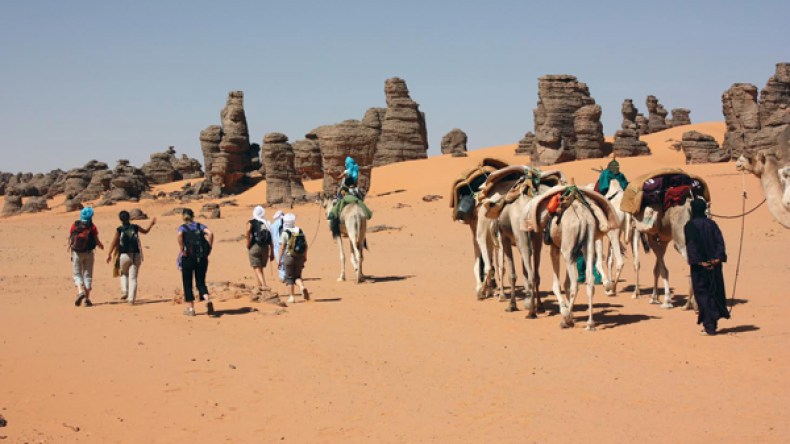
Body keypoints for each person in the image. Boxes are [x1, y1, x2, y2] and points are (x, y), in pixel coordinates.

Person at [684, 198, 730, 336]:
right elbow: (720, 242)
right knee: (713, 292)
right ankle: (711, 324)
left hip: (700, 267)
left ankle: (709, 326)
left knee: (703, 295)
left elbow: (691, 245)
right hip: (715, 265)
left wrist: (700, 262)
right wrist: (717, 258)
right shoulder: (712, 224)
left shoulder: (689, 226)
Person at [105, 211, 156, 304]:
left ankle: (124, 290)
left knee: (123, 273)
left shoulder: (119, 229)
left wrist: (109, 254)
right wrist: (151, 224)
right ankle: (131, 299)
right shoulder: (135, 227)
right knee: (133, 278)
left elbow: (113, 242)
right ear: (129, 218)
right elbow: (145, 231)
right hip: (136, 255)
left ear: (120, 219)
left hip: (124, 255)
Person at [177, 208, 215, 317]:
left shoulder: (182, 227)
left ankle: (191, 308)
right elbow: (210, 233)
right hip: (202, 258)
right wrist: (209, 247)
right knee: (201, 282)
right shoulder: (199, 226)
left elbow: (179, 235)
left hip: (188, 258)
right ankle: (207, 299)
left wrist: (181, 249)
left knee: (187, 283)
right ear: (193, 216)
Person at [68, 207, 104, 307]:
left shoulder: (75, 225)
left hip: (76, 252)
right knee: (87, 275)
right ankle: (87, 299)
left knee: (77, 274)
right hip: (89, 253)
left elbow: (71, 239)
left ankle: (80, 291)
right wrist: (101, 246)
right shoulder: (92, 227)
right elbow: (97, 240)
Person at [277, 213, 310, 304]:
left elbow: (282, 248)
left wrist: (279, 260)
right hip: (300, 257)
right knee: (297, 276)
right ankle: (302, 287)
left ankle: (292, 297)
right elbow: (306, 246)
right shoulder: (300, 230)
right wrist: (305, 257)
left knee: (289, 278)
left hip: (289, 257)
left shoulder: (285, 233)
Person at [246, 206, 274, 295]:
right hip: (266, 247)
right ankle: (259, 287)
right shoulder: (267, 223)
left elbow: (247, 231)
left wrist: (247, 242)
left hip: (255, 246)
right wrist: (272, 252)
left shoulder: (252, 222)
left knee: (256, 268)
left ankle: (264, 285)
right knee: (260, 267)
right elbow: (271, 238)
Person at [269, 210, 286, 283]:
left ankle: (282, 276)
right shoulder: (287, 223)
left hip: (276, 245)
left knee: (279, 261)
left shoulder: (273, 225)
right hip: (285, 243)